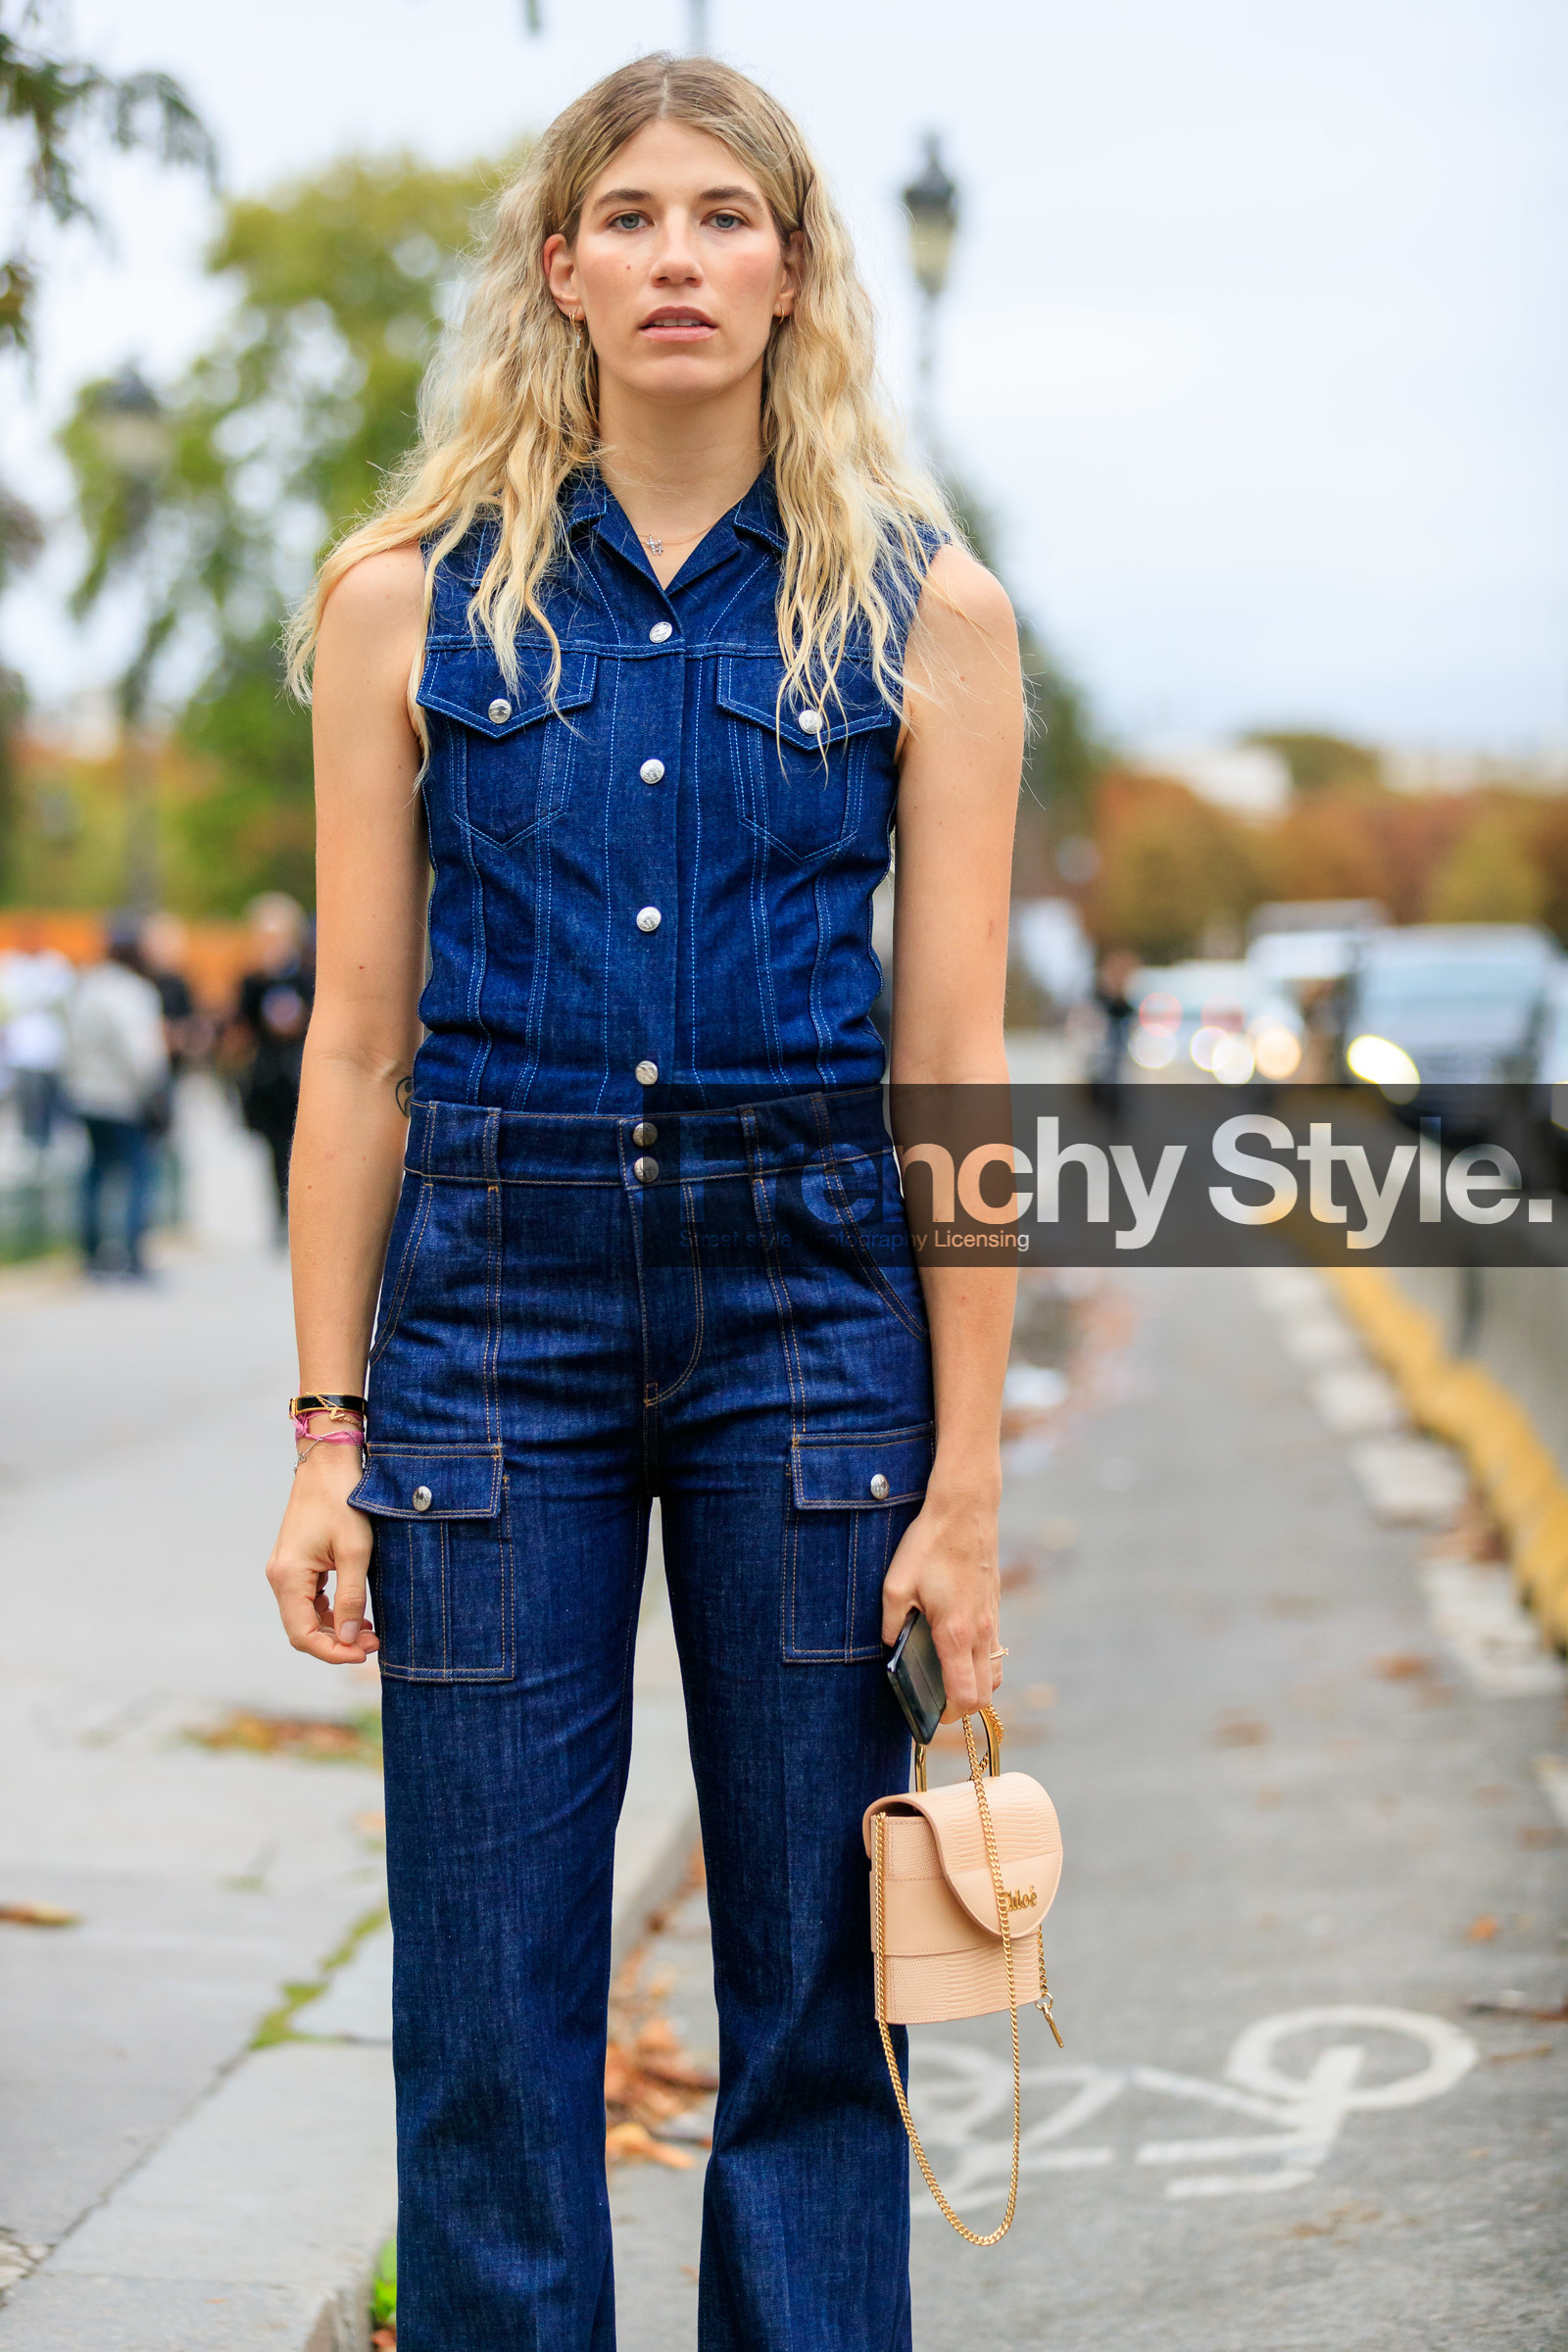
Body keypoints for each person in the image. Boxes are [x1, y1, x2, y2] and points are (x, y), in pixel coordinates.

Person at [264, 54, 1023, 2351]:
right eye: (629, 216)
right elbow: (360, 1040)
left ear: (793, 267)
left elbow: (954, 1062)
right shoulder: (407, 606)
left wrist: (966, 1477)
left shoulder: (924, 610)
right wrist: (323, 1422)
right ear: (559, 267)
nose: (676, 256)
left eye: (722, 215)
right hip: (495, 1317)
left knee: (816, 1984)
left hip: (813, 1315)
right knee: (491, 1987)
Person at [61, 918, 169, 1279]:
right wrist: (154, 1090)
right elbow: (143, 1054)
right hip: (123, 1099)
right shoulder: (133, 992)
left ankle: (92, 1254)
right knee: (138, 1174)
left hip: (87, 1095)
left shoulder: (87, 986)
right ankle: (133, 1255)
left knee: (95, 1173)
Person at [228, 893, 314, 1238]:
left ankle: (303, 1211)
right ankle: (280, 1214)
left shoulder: (307, 975)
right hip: (268, 1078)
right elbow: (242, 1025)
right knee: (274, 1149)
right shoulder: (252, 981)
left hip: (298, 1071)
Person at [0, 925, 74, 1151]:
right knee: (27, 1108)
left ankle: (44, 1150)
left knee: (50, 1108)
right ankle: (31, 1148)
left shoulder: (55, 965)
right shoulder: (10, 964)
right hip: (21, 1052)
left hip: (50, 1051)